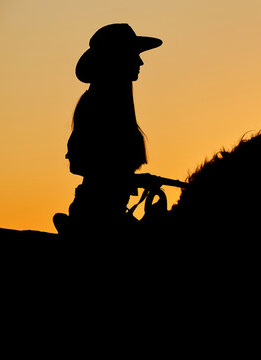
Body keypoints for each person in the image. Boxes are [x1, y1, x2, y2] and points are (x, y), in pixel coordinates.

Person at [54, 24, 162, 238]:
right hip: (98, 218)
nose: (141, 61)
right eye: (134, 55)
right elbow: (83, 164)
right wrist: (128, 180)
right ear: (117, 59)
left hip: (109, 212)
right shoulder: (95, 104)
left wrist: (133, 179)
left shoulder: (108, 103)